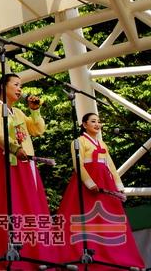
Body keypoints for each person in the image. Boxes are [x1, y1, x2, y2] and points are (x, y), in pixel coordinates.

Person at [0, 73, 57, 269]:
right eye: (16, 85)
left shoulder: (18, 113)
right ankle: (3, 251)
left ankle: (31, 252)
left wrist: (35, 111)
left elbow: (37, 130)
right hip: (2, 163)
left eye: (21, 86)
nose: (20, 89)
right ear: (3, 86)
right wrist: (15, 148)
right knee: (5, 204)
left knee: (27, 205)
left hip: (22, 162)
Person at [57, 113, 145, 269]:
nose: (97, 124)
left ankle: (114, 256)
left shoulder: (103, 144)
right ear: (84, 125)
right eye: (93, 121)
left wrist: (118, 186)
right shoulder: (78, 142)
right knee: (85, 217)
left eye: (99, 121)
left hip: (105, 184)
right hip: (86, 186)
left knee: (110, 218)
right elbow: (78, 165)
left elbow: (111, 167)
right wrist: (89, 183)